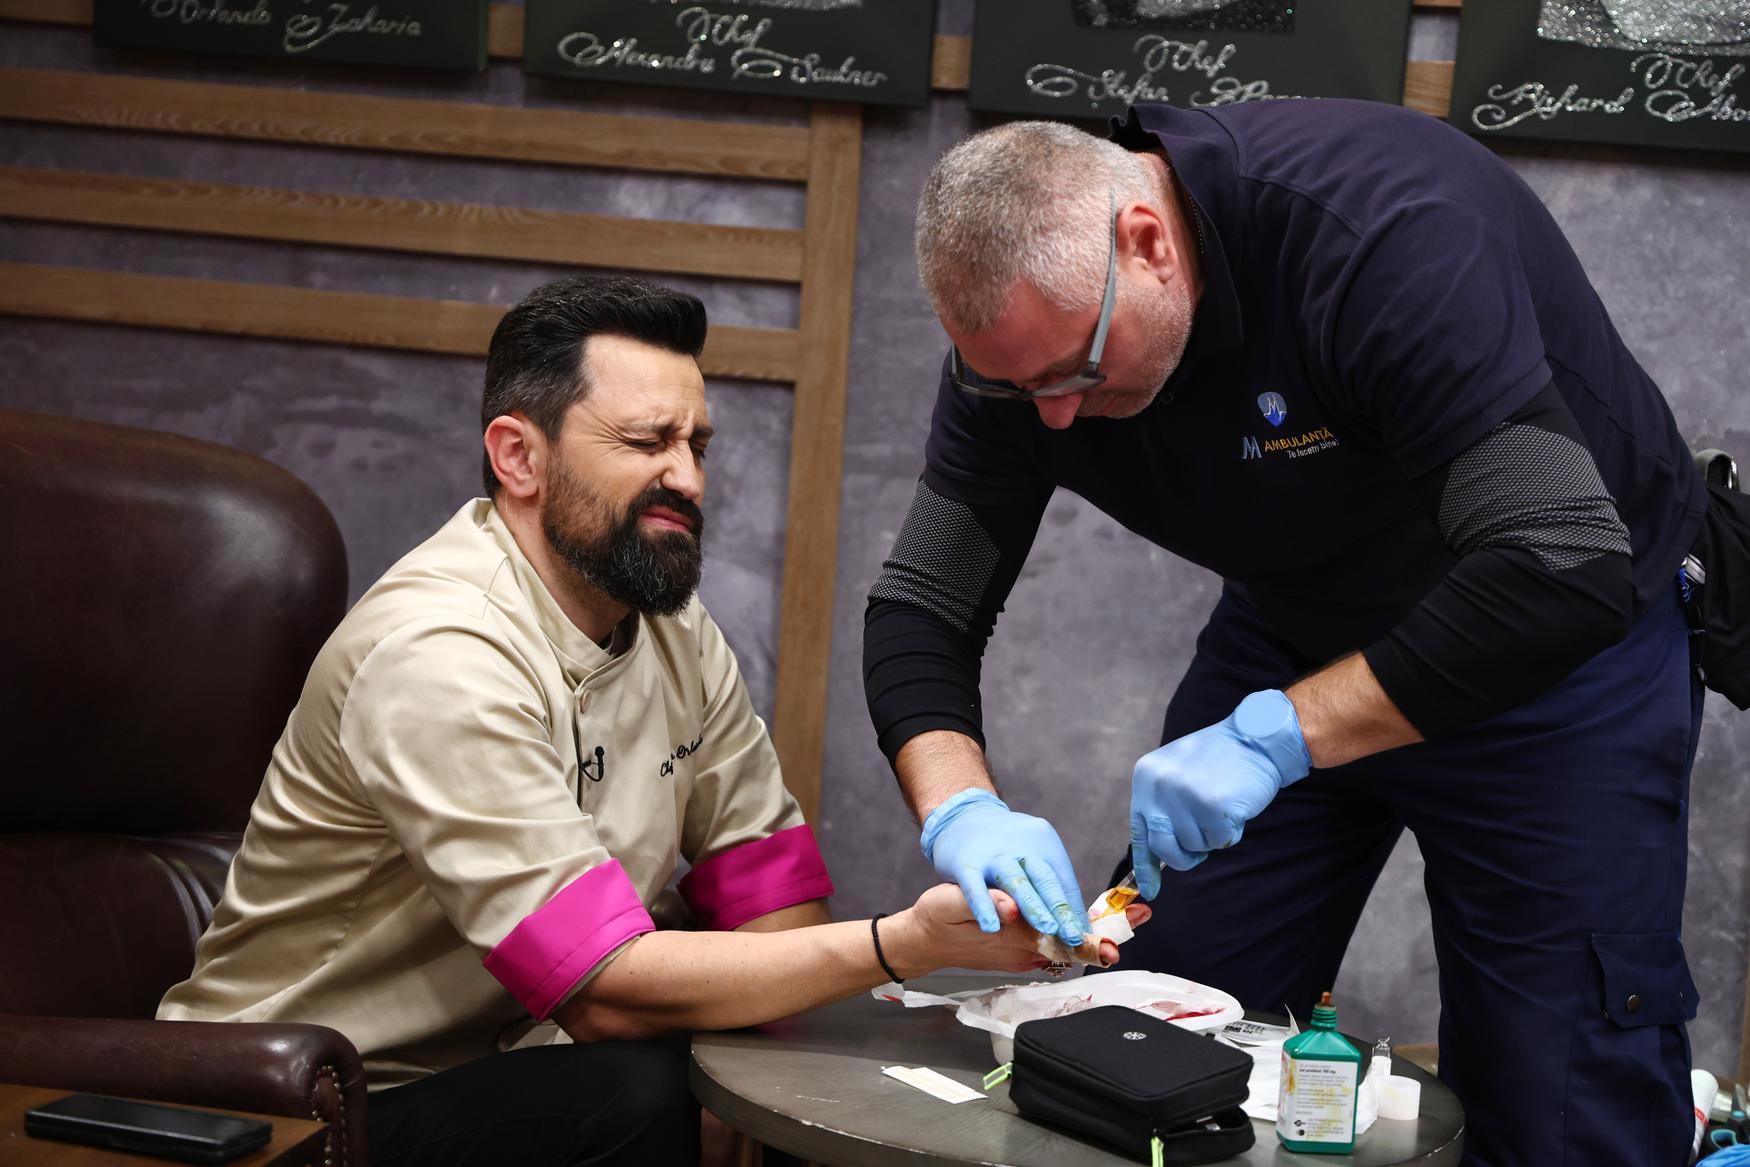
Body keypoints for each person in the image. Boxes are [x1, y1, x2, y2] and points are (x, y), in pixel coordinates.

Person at [864, 101, 1707, 1164]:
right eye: (1012, 385)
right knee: (1146, 1045)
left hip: (1554, 658)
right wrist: (961, 807)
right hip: (1297, 631)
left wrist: (1273, 739)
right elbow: (923, 604)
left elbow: (1558, 562)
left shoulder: (1382, 237)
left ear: (1146, 241)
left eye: (1073, 372)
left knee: (1561, 1104)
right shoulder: (1023, 353)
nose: (1053, 416)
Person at [161, 276, 1095, 1167]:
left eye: (697, 445)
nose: (687, 476)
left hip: (505, 1066)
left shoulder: (675, 630)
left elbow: (772, 907)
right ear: (519, 457)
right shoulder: (438, 651)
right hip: (290, 1108)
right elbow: (604, 997)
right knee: (639, 1088)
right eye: (648, 441)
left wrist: (795, 1008)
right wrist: (902, 945)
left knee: (790, 1055)